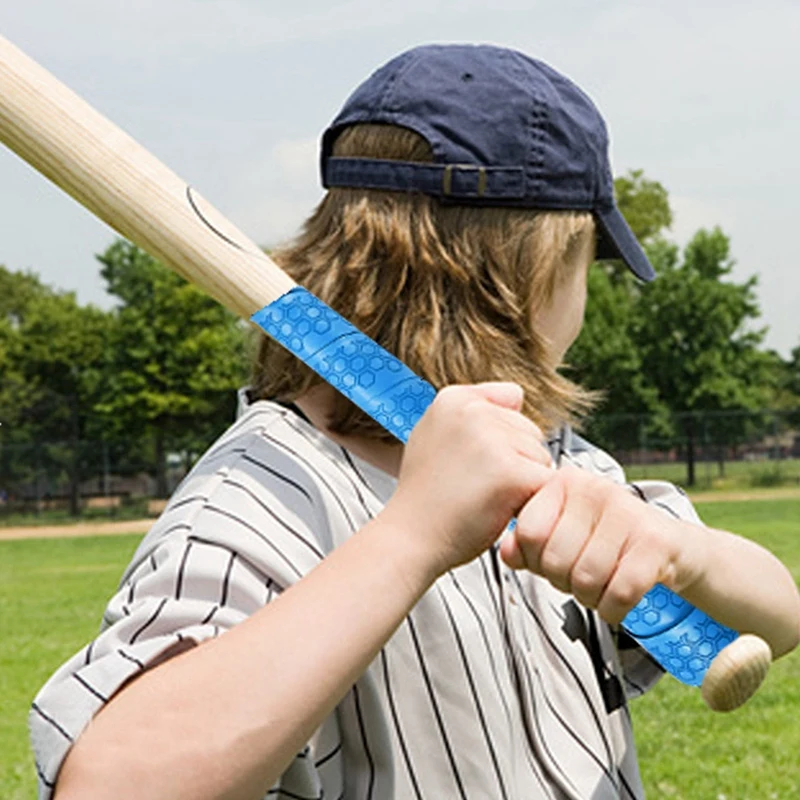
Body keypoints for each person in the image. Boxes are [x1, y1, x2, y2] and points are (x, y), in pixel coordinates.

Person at [31, 44, 799, 800]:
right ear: (536, 272)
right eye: (588, 266)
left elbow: (779, 617)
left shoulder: (556, 460)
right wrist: (414, 535)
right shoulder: (261, 498)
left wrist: (680, 556)